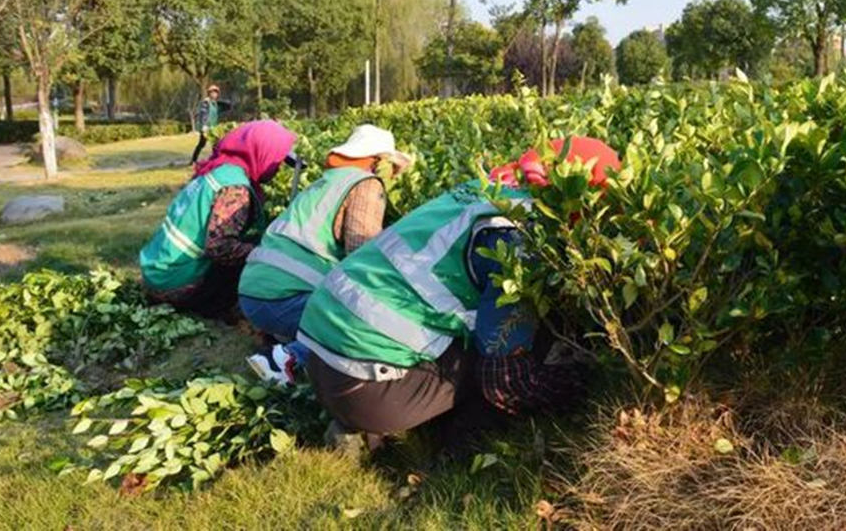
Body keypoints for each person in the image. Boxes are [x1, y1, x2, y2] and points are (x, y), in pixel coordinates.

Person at [296, 136, 621, 443]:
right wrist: (581, 384)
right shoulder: (523, 233)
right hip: (367, 389)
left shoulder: (484, 191)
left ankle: (363, 423)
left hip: (320, 359)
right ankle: (458, 443)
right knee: (512, 351)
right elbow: (503, 381)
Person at [238, 124, 412, 382]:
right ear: (377, 162)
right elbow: (361, 256)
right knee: (366, 325)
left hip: (252, 293)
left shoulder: (325, 182)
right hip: (283, 297)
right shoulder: (366, 184)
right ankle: (285, 360)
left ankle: (284, 341)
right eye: (392, 168)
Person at [140, 120, 298, 319]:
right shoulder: (235, 189)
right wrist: (266, 254)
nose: (277, 170)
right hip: (176, 284)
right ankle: (221, 307)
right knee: (261, 255)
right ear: (261, 152)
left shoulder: (220, 170)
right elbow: (219, 248)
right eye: (276, 161)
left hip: (156, 273)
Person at [190, 84, 222, 164]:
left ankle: (216, 159)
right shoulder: (206, 103)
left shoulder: (215, 103)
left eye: (216, 92)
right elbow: (203, 114)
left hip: (214, 127)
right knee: (202, 144)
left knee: (216, 144)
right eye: (212, 92)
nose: (214, 94)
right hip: (206, 127)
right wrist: (204, 125)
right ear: (209, 93)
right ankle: (193, 160)